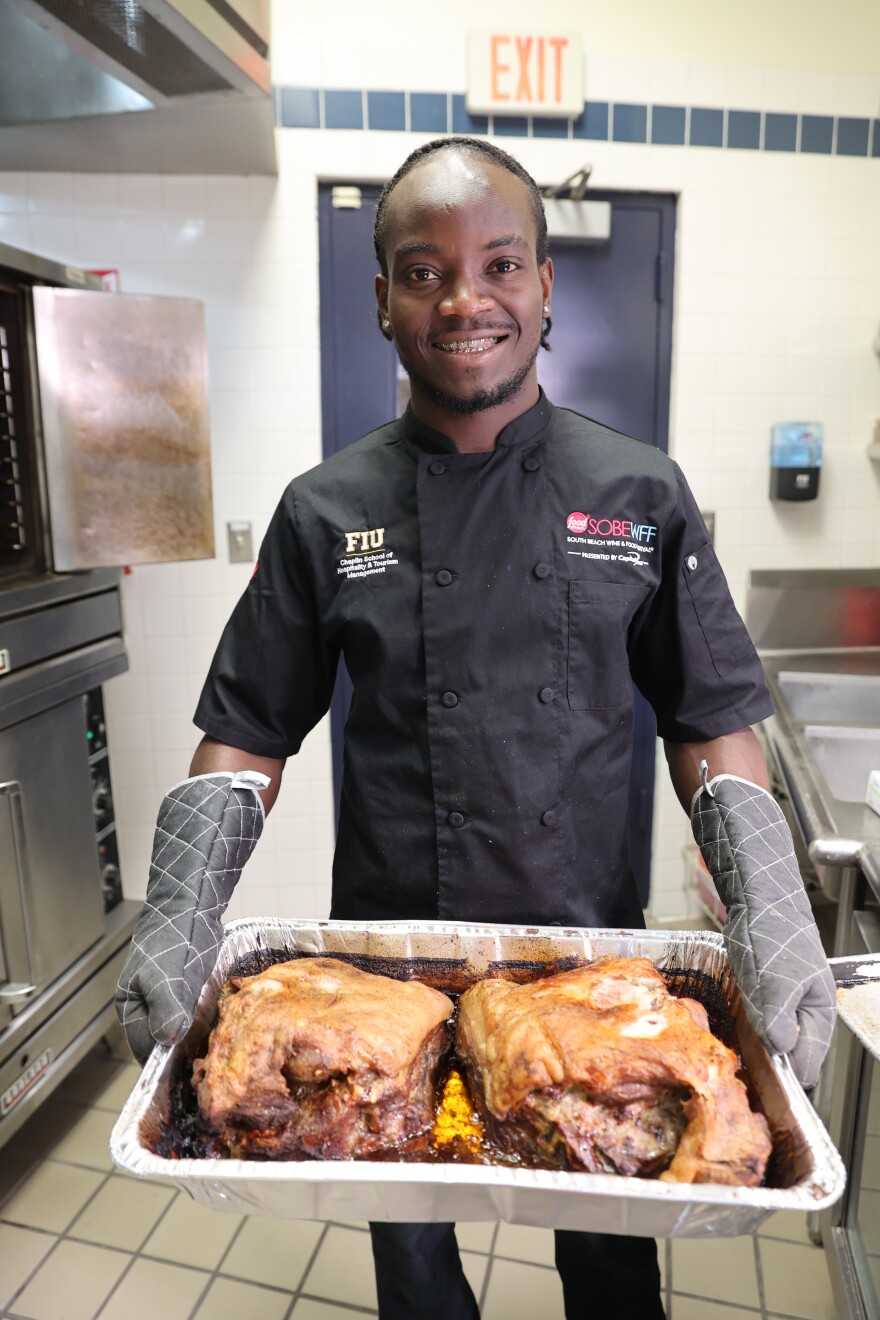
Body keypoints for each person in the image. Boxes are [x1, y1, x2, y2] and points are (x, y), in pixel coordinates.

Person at [116, 137, 835, 1320]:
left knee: (609, 1238)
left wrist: (771, 910)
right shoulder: (324, 510)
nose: (465, 300)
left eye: (501, 263)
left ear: (546, 285)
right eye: (422, 269)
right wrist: (184, 903)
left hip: (590, 959)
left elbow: (711, 724)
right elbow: (248, 732)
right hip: (385, 964)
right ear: (384, 300)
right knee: (409, 1245)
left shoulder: (637, 494)